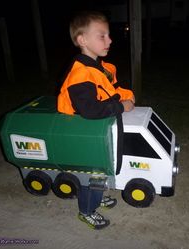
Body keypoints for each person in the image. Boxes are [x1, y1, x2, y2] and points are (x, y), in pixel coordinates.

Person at [57, 10, 135, 229]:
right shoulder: (80, 75)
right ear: (82, 40)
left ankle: (97, 198)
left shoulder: (99, 67)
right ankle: (87, 210)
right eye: (102, 35)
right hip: (84, 131)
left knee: (102, 168)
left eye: (109, 35)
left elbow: (110, 90)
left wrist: (127, 96)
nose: (109, 40)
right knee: (92, 174)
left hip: (97, 128)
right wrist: (121, 106)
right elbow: (90, 109)